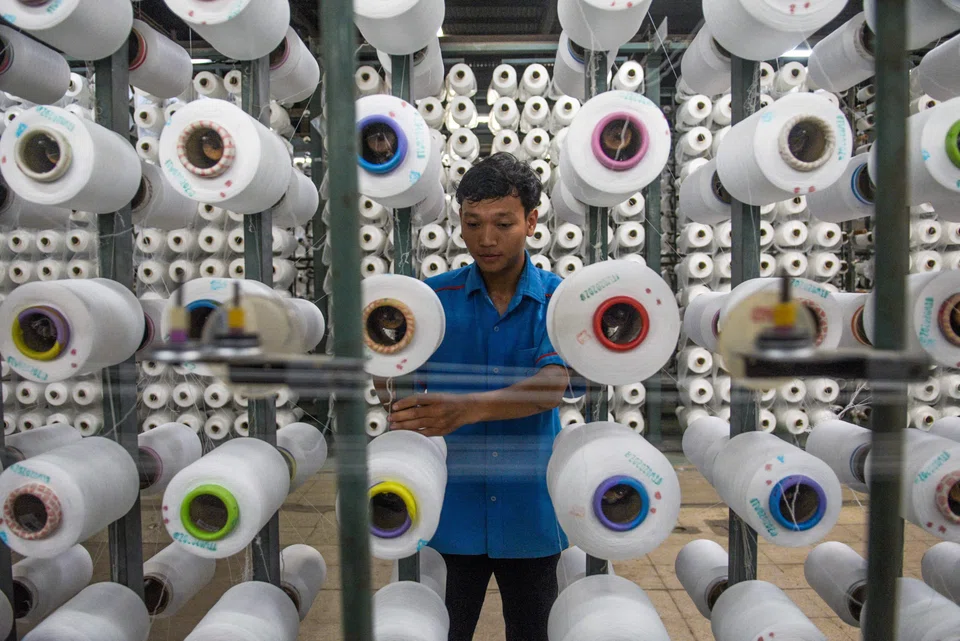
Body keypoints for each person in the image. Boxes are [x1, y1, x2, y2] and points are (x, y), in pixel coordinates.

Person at [375, 152, 570, 641]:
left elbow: (553, 385)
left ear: (531, 221)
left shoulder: (557, 301)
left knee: (533, 632)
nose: (485, 239)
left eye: (503, 223)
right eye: (472, 223)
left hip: (528, 511)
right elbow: (394, 385)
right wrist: (383, 361)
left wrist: (465, 409)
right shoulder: (429, 302)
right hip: (448, 510)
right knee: (440, 630)